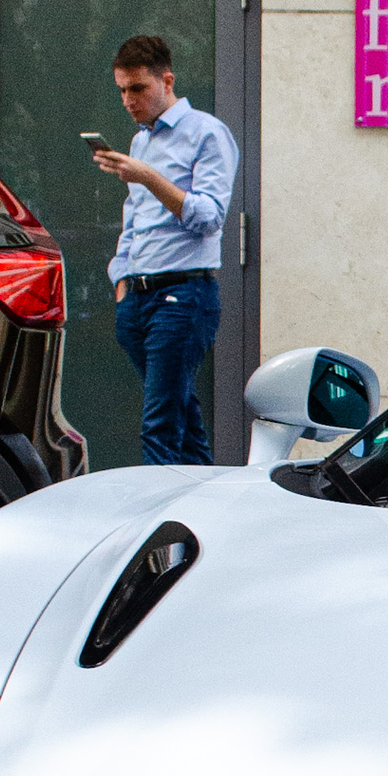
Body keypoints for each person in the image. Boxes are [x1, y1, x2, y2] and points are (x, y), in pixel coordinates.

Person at [92, 31, 240, 467]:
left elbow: (210, 217)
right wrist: (120, 278)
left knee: (161, 422)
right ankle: (207, 516)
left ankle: (159, 529)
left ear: (167, 81)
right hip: (138, 296)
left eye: (138, 88)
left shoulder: (207, 134)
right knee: (182, 415)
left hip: (183, 295)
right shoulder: (142, 141)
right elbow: (134, 220)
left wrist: (148, 177)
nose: (128, 100)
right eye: (122, 90)